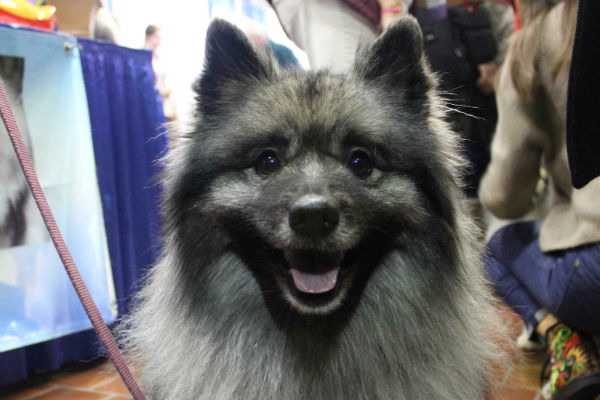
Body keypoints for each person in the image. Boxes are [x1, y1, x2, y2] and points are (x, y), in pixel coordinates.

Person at [479, 1, 600, 398]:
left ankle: (564, 340)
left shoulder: (535, 42)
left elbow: (504, 197)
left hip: (593, 270)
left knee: (496, 248)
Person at [144, 25, 177, 121]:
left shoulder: (159, 59)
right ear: (148, 37)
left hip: (162, 105)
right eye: (156, 37)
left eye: (160, 38)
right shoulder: (141, 60)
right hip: (148, 104)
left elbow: (165, 84)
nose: (158, 42)